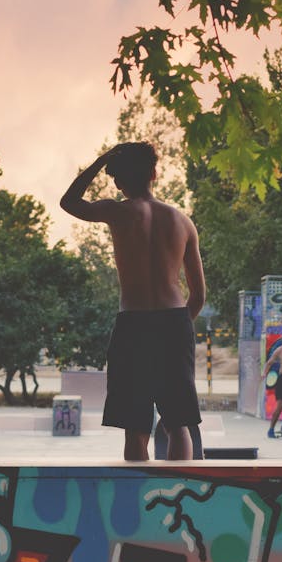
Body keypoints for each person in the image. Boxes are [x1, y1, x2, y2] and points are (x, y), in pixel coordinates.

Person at [61, 141, 205, 461]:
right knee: (178, 424)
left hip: (134, 324)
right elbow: (199, 295)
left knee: (136, 427)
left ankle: (139, 499)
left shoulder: (117, 211)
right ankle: (181, 489)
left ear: (117, 181)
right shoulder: (183, 222)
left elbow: (69, 202)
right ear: (154, 174)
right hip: (174, 321)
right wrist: (178, 328)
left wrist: (99, 161)